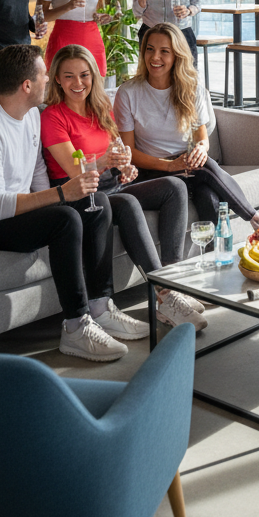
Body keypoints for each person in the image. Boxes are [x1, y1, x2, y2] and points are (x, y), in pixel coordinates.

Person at [0, 44, 149, 361]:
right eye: (44, 75)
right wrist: (61, 197)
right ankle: (75, 326)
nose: (49, 80)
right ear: (27, 85)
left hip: (9, 209)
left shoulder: (29, 115)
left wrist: (66, 198)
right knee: (65, 219)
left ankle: (100, 305)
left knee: (95, 204)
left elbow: (38, 171)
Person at [40, 44, 206, 330]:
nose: (77, 83)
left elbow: (116, 152)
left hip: (111, 186)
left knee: (173, 187)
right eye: (68, 76)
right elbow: (73, 170)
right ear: (57, 78)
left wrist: (124, 167)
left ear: (93, 75)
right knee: (127, 204)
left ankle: (172, 281)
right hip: (81, 194)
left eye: (84, 75)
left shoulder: (101, 107)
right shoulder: (53, 117)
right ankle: (163, 295)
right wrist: (105, 161)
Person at [113, 22, 259, 229]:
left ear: (177, 55)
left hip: (187, 167)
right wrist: (170, 165)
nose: (155, 57)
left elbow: (201, 140)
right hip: (151, 172)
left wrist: (201, 150)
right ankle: (256, 218)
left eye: (164, 51)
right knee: (205, 170)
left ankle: (216, 255)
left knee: (207, 192)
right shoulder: (128, 93)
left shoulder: (191, 88)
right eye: (150, 49)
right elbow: (129, 152)